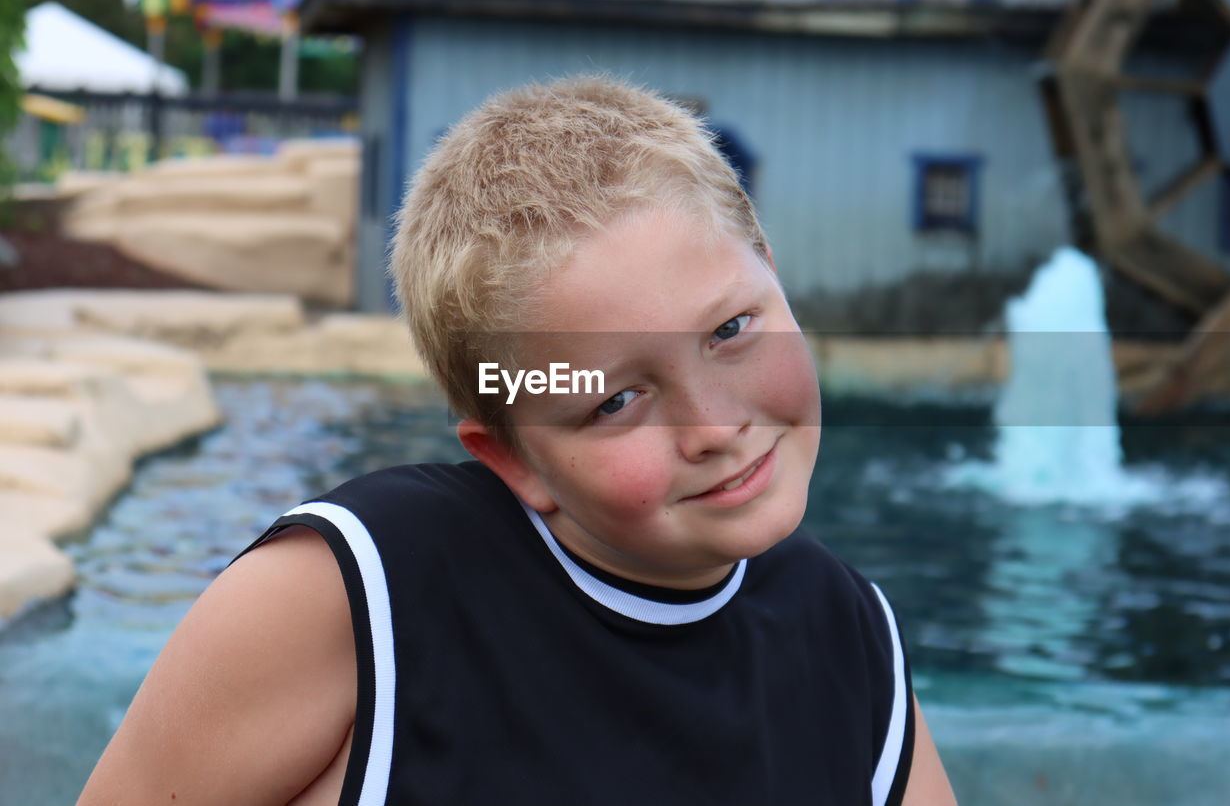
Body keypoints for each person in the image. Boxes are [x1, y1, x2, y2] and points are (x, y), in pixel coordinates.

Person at [77, 76, 956, 806]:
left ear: (771, 265)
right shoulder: (361, 596)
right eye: (615, 401)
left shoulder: (850, 640)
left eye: (731, 329)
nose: (717, 426)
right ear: (511, 455)